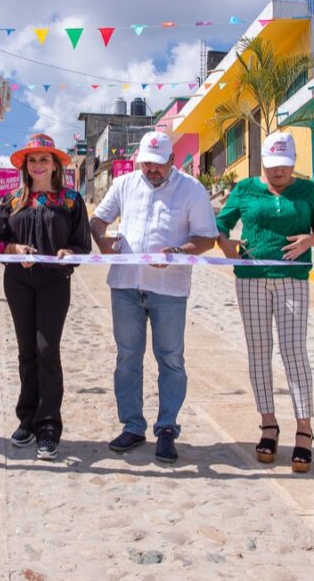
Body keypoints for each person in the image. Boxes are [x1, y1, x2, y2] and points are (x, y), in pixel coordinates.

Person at [90, 131, 217, 464]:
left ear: (172, 161)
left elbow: (207, 238)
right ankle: (132, 425)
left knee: (171, 359)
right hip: (126, 285)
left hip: (169, 289)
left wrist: (177, 252)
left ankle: (166, 429)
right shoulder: (124, 184)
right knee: (127, 357)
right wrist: (102, 242)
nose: (152, 171)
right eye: (146, 164)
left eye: (158, 165)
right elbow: (98, 218)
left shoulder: (191, 189)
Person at [215, 132, 314, 473]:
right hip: (251, 279)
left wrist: (312, 238)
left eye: (284, 167)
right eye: (271, 167)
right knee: (259, 351)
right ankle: (268, 423)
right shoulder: (245, 189)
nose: (278, 173)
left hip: (294, 279)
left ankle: (304, 428)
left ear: (294, 163)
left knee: (294, 351)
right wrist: (226, 245)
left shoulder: (308, 190)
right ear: (261, 163)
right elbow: (220, 222)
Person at [0, 134, 91, 460]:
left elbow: (82, 245)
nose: (37, 165)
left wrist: (67, 252)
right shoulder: (12, 201)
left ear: (56, 164)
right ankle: (27, 420)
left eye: (44, 159)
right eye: (32, 160)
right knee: (26, 352)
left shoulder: (72, 201)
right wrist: (16, 249)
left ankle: (49, 425)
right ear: (25, 166)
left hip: (53, 283)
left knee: (47, 350)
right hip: (18, 282)